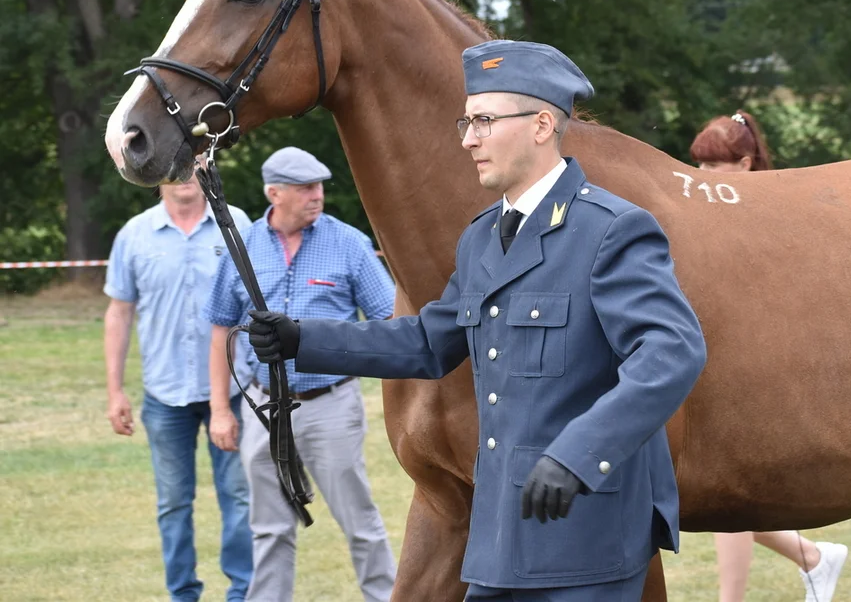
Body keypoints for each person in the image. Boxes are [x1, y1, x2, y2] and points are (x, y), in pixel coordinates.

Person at [246, 40, 708, 601]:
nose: (468, 138)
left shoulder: (612, 229)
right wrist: (303, 340)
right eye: (467, 121)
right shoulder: (483, 236)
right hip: (497, 538)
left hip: (585, 536)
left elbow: (672, 352)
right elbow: (428, 342)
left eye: (485, 120)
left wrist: (580, 454)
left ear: (541, 125)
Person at [203, 146, 397, 602]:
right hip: (262, 407)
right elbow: (220, 329)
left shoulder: (348, 243)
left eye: (320, 186)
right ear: (274, 193)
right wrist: (219, 410)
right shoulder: (242, 246)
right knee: (268, 529)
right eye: (306, 187)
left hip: (330, 407)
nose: (318, 195)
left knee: (360, 522)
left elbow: (391, 323)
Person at [691, 111, 849, 602]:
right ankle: (814, 558)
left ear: (743, 163)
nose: (699, 175)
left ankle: (752, 588)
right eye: (698, 163)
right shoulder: (713, 209)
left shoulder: (765, 215)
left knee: (721, 496)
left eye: (712, 165)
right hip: (725, 359)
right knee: (717, 495)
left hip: (760, 366)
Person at [103, 177, 254, 602]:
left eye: (192, 163)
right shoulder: (134, 235)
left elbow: (260, 304)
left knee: (240, 499)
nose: (185, 174)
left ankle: (243, 592)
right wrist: (115, 391)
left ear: (205, 166)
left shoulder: (235, 223)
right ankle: (182, 594)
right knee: (172, 503)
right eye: (175, 166)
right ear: (156, 175)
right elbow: (119, 313)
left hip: (233, 391)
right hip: (164, 395)